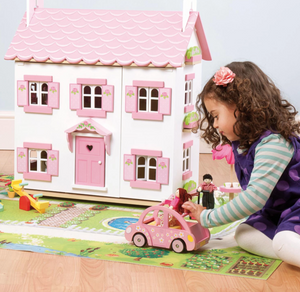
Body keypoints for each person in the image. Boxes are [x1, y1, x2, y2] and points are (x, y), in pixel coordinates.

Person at [182, 61, 300, 268]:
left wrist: (207, 217)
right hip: (279, 211)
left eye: (216, 116)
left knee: (282, 241)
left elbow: (253, 198)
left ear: (243, 107)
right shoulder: (246, 144)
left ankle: (287, 246)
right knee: (244, 234)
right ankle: (288, 250)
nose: (215, 124)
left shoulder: (274, 144)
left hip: (296, 209)